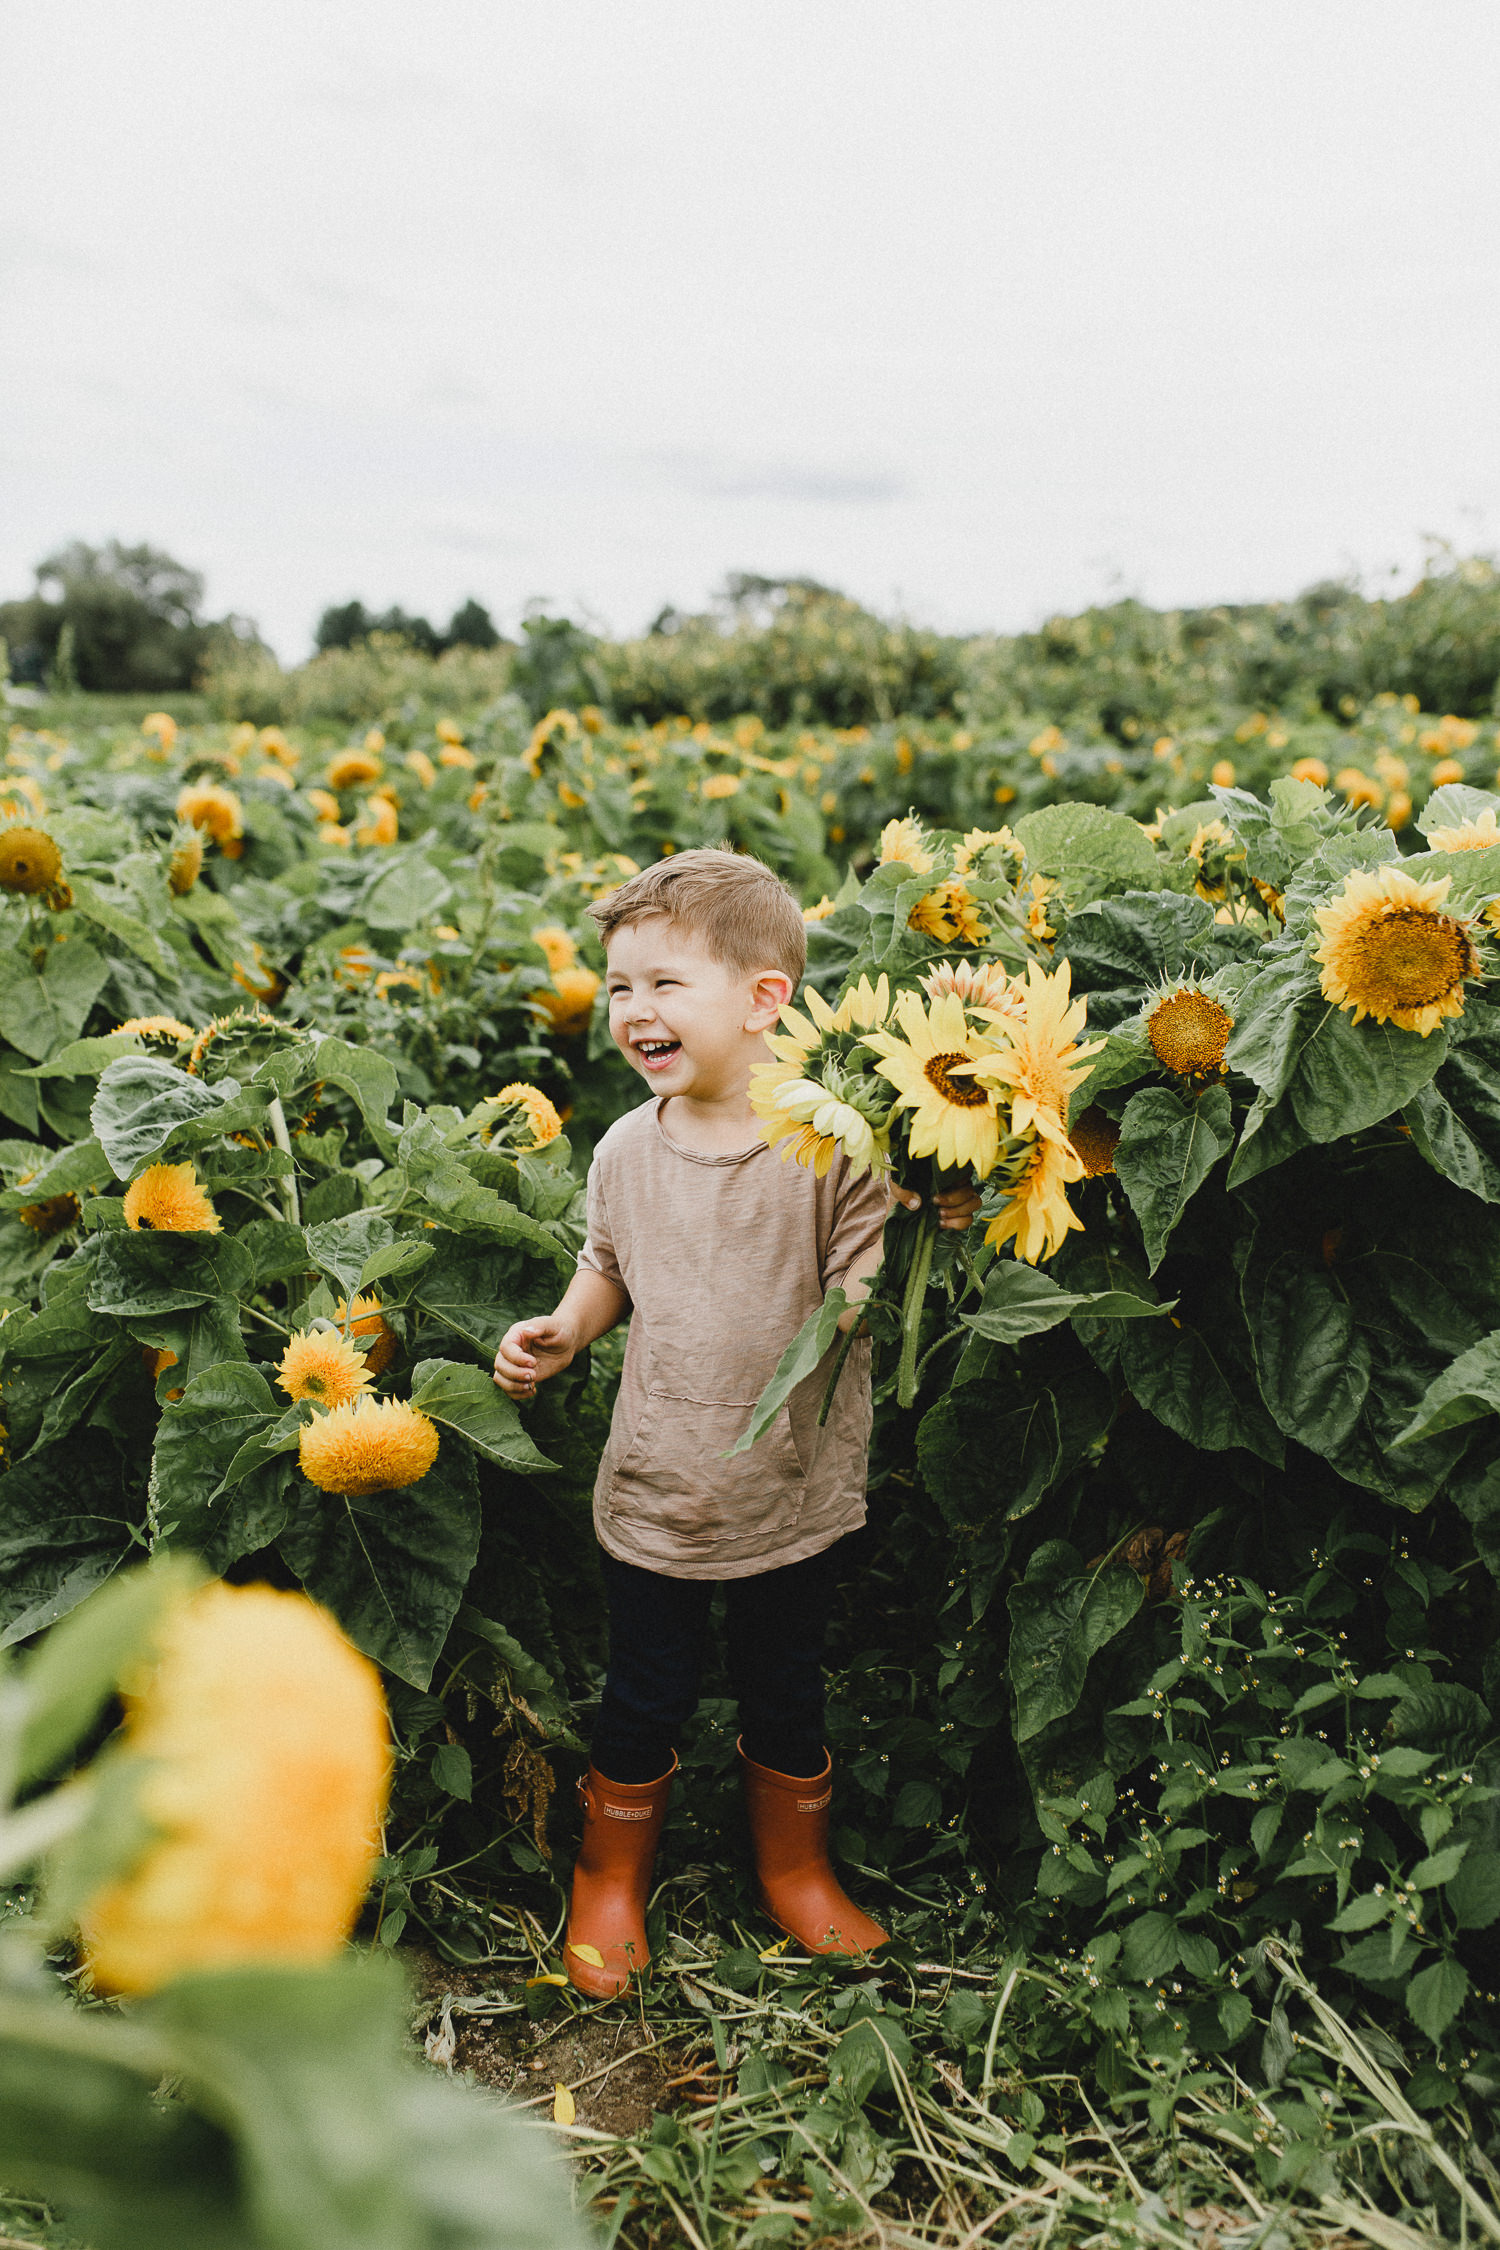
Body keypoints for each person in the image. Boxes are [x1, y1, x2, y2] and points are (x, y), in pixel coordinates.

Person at [494, 848, 977, 1999]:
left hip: (792, 1486)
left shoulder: (828, 1153)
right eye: (619, 987)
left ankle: (794, 1867)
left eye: (665, 984)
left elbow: (873, 1288)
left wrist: (930, 1211)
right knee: (643, 1690)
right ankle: (609, 1877)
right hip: (657, 1480)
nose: (633, 1011)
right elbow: (608, 1261)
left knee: (785, 1682)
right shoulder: (624, 1147)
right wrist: (566, 1328)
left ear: (767, 1000)